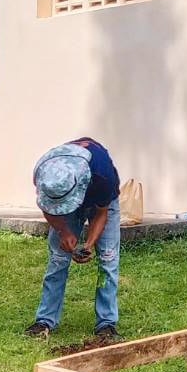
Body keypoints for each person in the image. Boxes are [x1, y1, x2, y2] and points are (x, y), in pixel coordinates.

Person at [26, 138, 121, 341]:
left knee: (108, 259)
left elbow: (101, 213)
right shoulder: (44, 174)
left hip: (101, 201)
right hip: (67, 196)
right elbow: (47, 207)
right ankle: (44, 321)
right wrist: (64, 232)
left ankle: (106, 324)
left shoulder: (102, 176)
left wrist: (89, 244)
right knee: (58, 260)